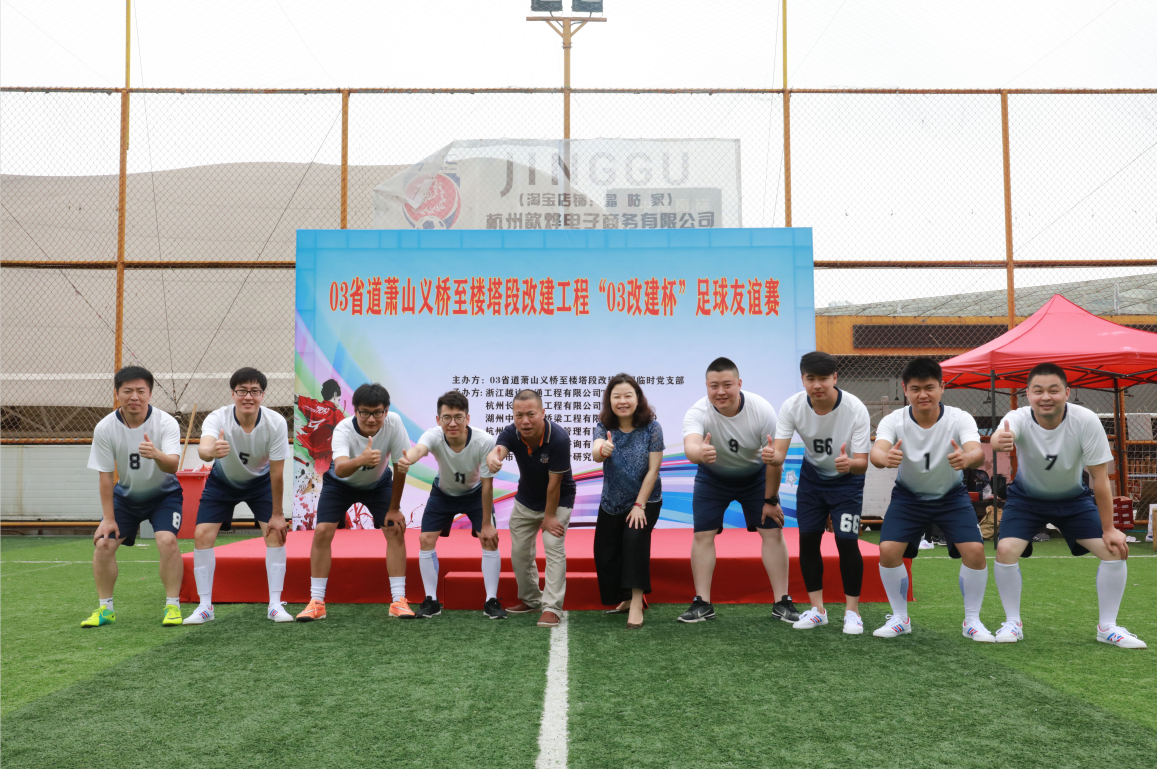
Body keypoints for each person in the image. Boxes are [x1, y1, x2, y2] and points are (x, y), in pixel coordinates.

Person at [990, 363, 1146, 648]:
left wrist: (1110, 529)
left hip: (1074, 501)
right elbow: (999, 437)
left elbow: (1100, 478)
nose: (1045, 397)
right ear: (1028, 394)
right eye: (1038, 391)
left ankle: (1107, 627)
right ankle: (1012, 623)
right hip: (1026, 500)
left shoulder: (1085, 420)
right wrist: (999, 440)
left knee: (1114, 551)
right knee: (1005, 550)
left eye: (1053, 390)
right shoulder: (1018, 418)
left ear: (1067, 393)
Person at [869, 357, 993, 641]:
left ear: (942, 387)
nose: (923, 394)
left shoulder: (960, 418)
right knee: (888, 551)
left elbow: (976, 452)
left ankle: (972, 621)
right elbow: (877, 452)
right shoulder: (894, 420)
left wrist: (968, 459)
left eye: (929, 387)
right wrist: (884, 458)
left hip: (951, 497)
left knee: (975, 551)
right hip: (908, 497)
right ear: (905, 389)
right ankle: (900, 618)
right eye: (915, 389)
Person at [678, 357, 799, 624]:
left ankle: (782, 602)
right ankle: (702, 603)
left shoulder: (761, 410)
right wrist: (700, 452)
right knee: (703, 535)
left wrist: (771, 500)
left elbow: (774, 460)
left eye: (727, 385)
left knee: (772, 532)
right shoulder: (697, 412)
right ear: (707, 387)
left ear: (739, 384)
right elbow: (690, 447)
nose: (720, 392)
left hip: (755, 478)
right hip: (712, 478)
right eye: (714, 386)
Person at [768, 352, 871, 634]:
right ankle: (818, 610)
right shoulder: (792, 406)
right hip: (812, 482)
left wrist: (850, 464)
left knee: (847, 542)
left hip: (847, 482)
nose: (817, 385)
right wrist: (770, 456)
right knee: (808, 541)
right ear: (802, 379)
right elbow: (778, 455)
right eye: (810, 378)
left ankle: (852, 612)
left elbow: (863, 463)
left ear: (835, 378)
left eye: (823, 378)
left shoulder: (855, 408)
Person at [183, 368, 292, 625]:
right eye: (242, 391)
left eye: (254, 391)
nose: (248, 396)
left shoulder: (276, 422)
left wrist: (278, 514)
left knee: (275, 533)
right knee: (202, 535)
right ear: (233, 394)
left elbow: (277, 472)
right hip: (222, 483)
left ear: (263, 394)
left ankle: (275, 605)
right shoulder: (218, 417)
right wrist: (212, 451)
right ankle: (205, 606)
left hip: (261, 483)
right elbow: (203, 449)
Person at [296, 383, 414, 621]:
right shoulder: (343, 429)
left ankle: (398, 601)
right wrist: (361, 459)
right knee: (322, 532)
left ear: (386, 410)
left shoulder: (394, 423)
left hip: (378, 484)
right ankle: (316, 602)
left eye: (377, 412)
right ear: (355, 411)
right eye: (364, 413)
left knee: (395, 530)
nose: (371, 419)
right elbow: (340, 468)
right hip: (340, 485)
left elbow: (401, 466)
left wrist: (394, 508)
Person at [82, 366, 184, 628]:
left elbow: (173, 466)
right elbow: (105, 477)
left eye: (141, 390)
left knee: (167, 541)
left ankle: (172, 606)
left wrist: (156, 454)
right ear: (117, 393)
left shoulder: (166, 422)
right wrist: (108, 519)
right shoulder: (105, 427)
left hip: (164, 496)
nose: (134, 396)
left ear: (150, 393)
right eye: (127, 391)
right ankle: (105, 610)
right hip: (126, 497)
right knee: (103, 544)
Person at [396, 391, 507, 620]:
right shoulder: (434, 435)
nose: (452, 423)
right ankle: (431, 601)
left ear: (468, 418)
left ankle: (491, 600)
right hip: (443, 494)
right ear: (438, 419)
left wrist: (487, 524)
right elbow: (420, 449)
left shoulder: (484, 441)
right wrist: (408, 459)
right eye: (447, 417)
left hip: (476, 493)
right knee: (426, 539)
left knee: (489, 538)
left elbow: (487, 485)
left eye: (458, 417)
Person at [485, 390, 576, 629]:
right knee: (520, 552)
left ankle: (552, 608)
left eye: (531, 414)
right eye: (519, 415)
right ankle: (532, 600)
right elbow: (499, 450)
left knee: (553, 547)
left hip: (558, 500)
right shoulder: (511, 432)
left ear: (543, 413)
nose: (524, 421)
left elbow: (555, 484)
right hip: (526, 499)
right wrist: (493, 457)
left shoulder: (559, 438)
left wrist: (549, 516)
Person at [591, 374, 665, 629]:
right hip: (612, 501)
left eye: (628, 396)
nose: (622, 401)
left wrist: (639, 505)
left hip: (646, 500)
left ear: (638, 398)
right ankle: (624, 598)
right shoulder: (604, 426)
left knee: (634, 542)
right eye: (616, 396)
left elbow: (653, 470)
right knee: (605, 552)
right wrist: (602, 449)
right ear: (609, 401)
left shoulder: (652, 428)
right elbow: (596, 452)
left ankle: (636, 603)